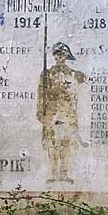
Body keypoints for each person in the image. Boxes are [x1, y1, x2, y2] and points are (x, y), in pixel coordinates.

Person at [37, 42, 88, 183]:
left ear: (66, 56)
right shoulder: (47, 74)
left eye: (62, 54)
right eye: (57, 53)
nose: (60, 56)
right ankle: (54, 174)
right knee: (52, 144)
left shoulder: (72, 74)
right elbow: (41, 94)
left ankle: (64, 174)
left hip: (67, 114)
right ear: (53, 56)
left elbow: (83, 79)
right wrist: (41, 114)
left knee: (65, 144)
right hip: (51, 114)